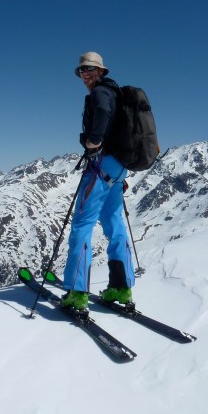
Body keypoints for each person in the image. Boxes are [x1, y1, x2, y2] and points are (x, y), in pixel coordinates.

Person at [60, 52, 136, 311]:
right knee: (114, 224)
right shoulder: (116, 94)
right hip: (118, 168)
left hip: (101, 165)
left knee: (82, 224)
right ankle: (121, 287)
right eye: (82, 70)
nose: (85, 74)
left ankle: (77, 292)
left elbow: (101, 111)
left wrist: (93, 141)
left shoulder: (100, 94)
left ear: (101, 71)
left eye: (90, 69)